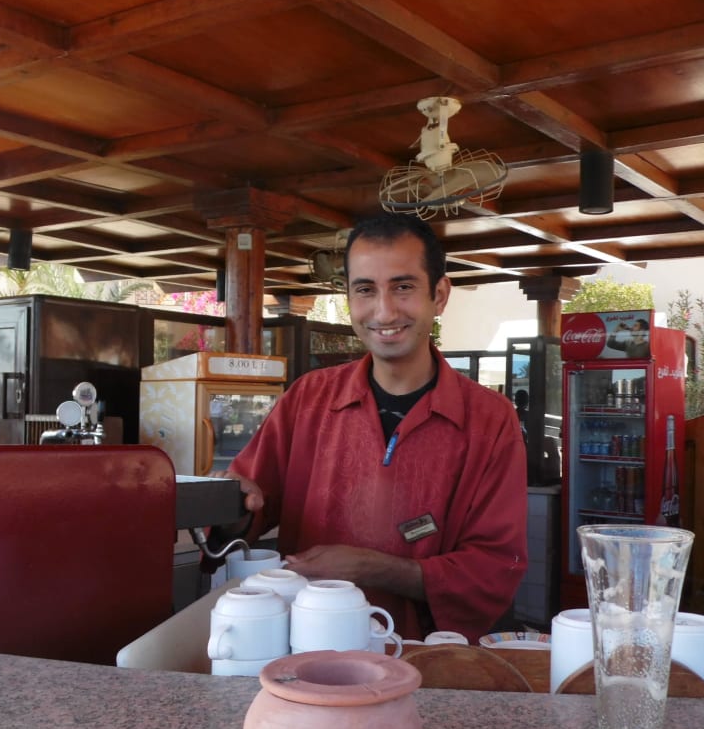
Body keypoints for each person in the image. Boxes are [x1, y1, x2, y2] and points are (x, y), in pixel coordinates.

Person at [214, 213, 528, 641]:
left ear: (439, 295)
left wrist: (374, 569)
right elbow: (245, 511)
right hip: (304, 651)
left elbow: (494, 568)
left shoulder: (489, 419)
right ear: (348, 297)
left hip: (426, 657)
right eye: (365, 289)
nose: (384, 311)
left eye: (403, 287)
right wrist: (229, 504)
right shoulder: (309, 398)